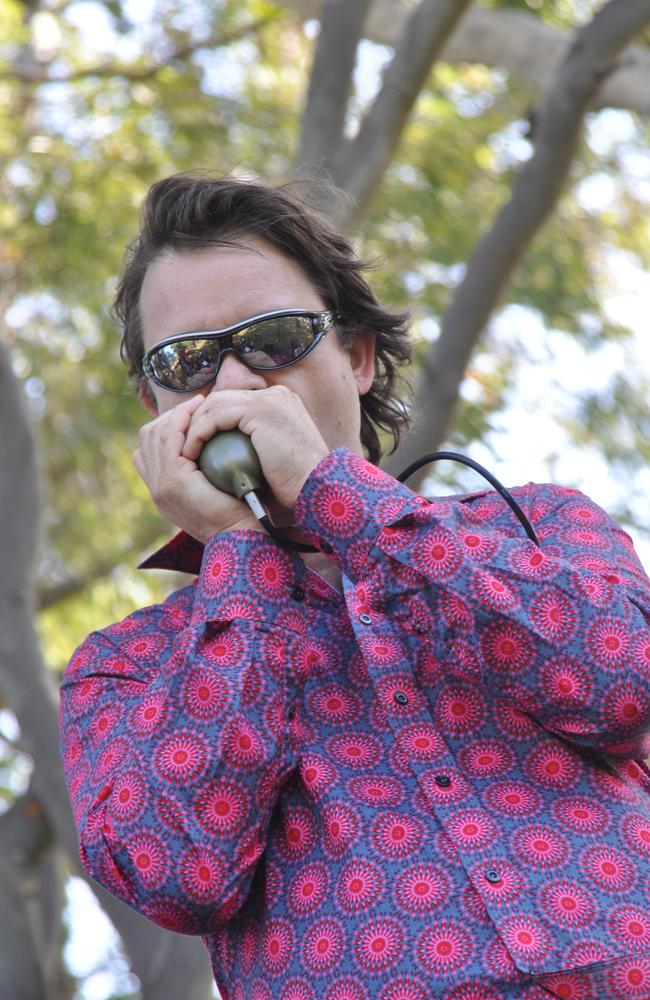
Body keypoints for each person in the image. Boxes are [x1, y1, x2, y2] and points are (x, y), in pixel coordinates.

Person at [59, 173, 650, 1000]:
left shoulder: (539, 528)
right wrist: (239, 552)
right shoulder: (125, 666)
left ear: (360, 357)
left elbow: (624, 681)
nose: (234, 387)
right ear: (153, 407)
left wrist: (336, 496)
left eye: (276, 338)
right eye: (187, 361)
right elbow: (176, 873)